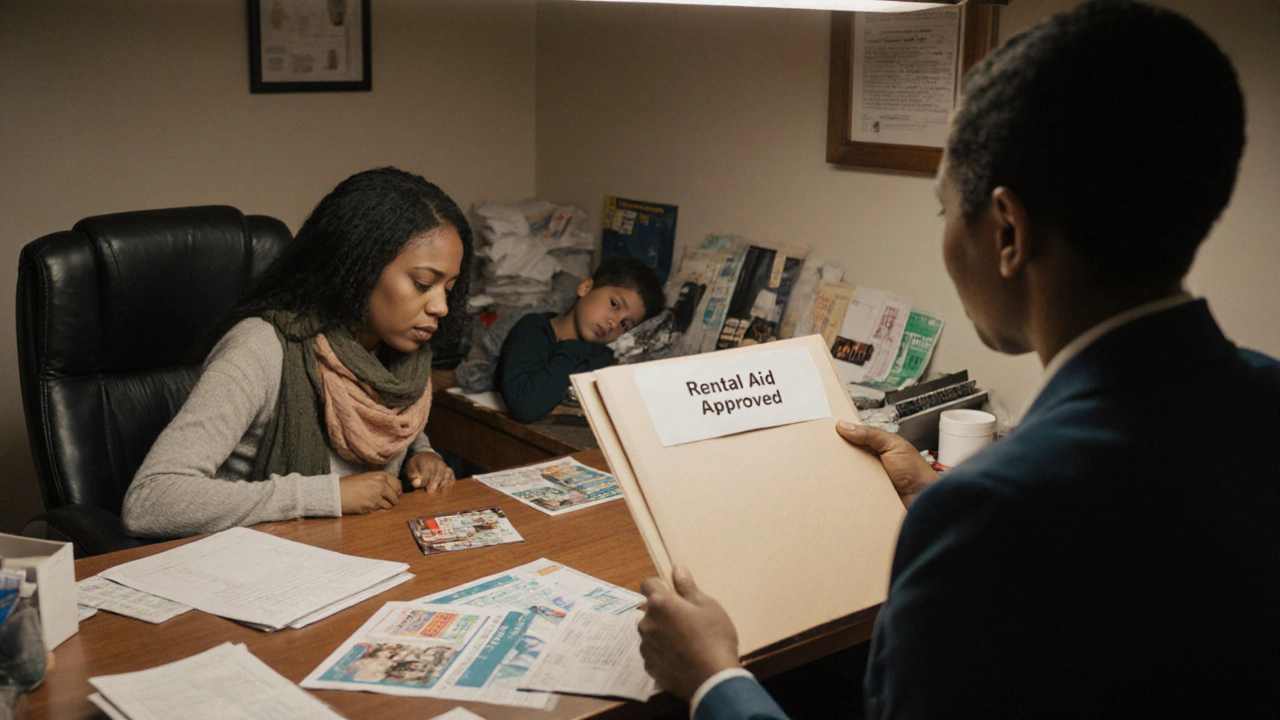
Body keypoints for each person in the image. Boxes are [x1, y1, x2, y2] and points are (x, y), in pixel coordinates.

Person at [636, 2, 1280, 718]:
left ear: (1008, 230)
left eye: (944, 211)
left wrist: (714, 680)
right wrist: (939, 497)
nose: (946, 237)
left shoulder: (987, 520)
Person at [122, 167, 473, 538]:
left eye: (448, 288)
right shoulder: (261, 348)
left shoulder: (402, 357)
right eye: (422, 284)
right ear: (359, 266)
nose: (441, 307)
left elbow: (384, 424)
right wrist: (323, 496)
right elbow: (150, 501)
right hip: (256, 568)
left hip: (361, 556)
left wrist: (423, 454)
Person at [496, 256, 665, 423]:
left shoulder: (602, 358)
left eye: (625, 324)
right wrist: (574, 349)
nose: (614, 323)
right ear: (586, 288)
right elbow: (525, 406)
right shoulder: (533, 330)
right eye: (614, 304)